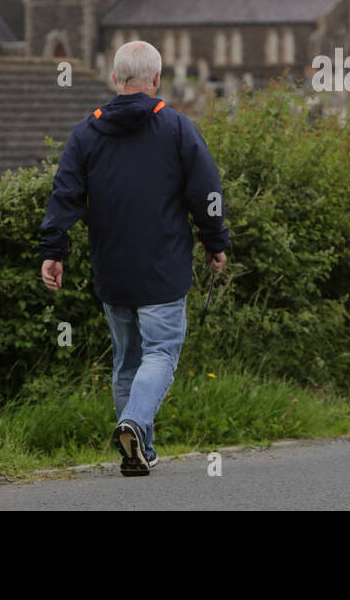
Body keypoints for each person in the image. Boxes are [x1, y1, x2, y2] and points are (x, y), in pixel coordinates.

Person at [39, 40, 229, 476]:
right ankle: (135, 424)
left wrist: (54, 250)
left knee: (127, 360)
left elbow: (64, 195)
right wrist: (215, 241)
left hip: (113, 270)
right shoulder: (178, 128)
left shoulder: (87, 132)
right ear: (157, 79)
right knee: (161, 353)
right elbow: (208, 193)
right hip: (163, 269)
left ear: (115, 79)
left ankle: (138, 451)